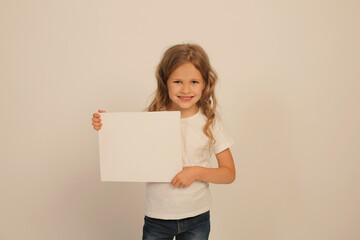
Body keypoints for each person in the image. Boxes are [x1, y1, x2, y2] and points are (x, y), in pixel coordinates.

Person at [92, 43, 235, 240]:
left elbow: (228, 174)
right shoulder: (151, 119)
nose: (186, 89)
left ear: (205, 83)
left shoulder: (211, 122)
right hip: (158, 217)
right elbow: (126, 150)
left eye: (194, 82)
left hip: (197, 217)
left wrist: (195, 172)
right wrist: (108, 126)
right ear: (165, 82)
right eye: (177, 81)